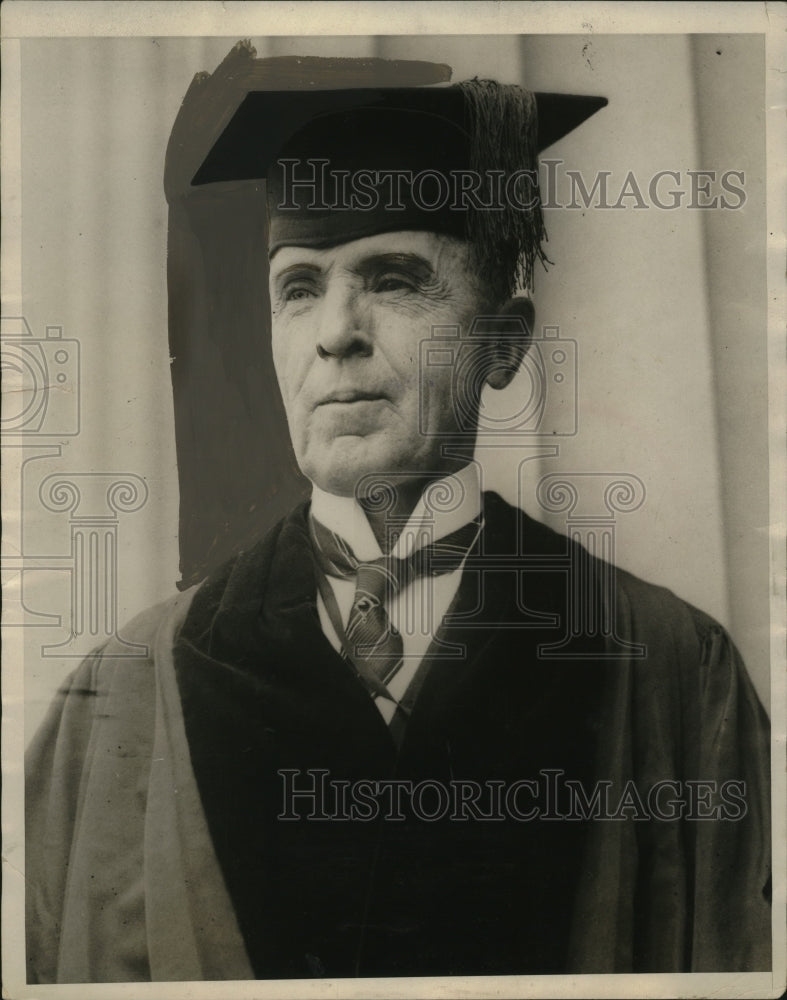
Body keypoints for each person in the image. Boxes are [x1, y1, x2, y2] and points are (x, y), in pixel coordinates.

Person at [25, 42, 771, 983]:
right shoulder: (124, 696)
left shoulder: (664, 668)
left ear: (503, 343)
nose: (335, 333)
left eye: (392, 279)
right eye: (298, 289)